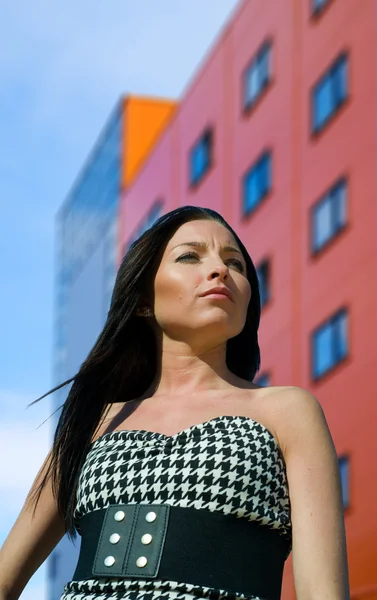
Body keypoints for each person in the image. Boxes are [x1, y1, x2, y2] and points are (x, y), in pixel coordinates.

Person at [0, 206, 350, 600]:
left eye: (234, 263)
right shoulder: (93, 423)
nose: (220, 270)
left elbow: (324, 591)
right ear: (143, 301)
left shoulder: (287, 411)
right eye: (190, 256)